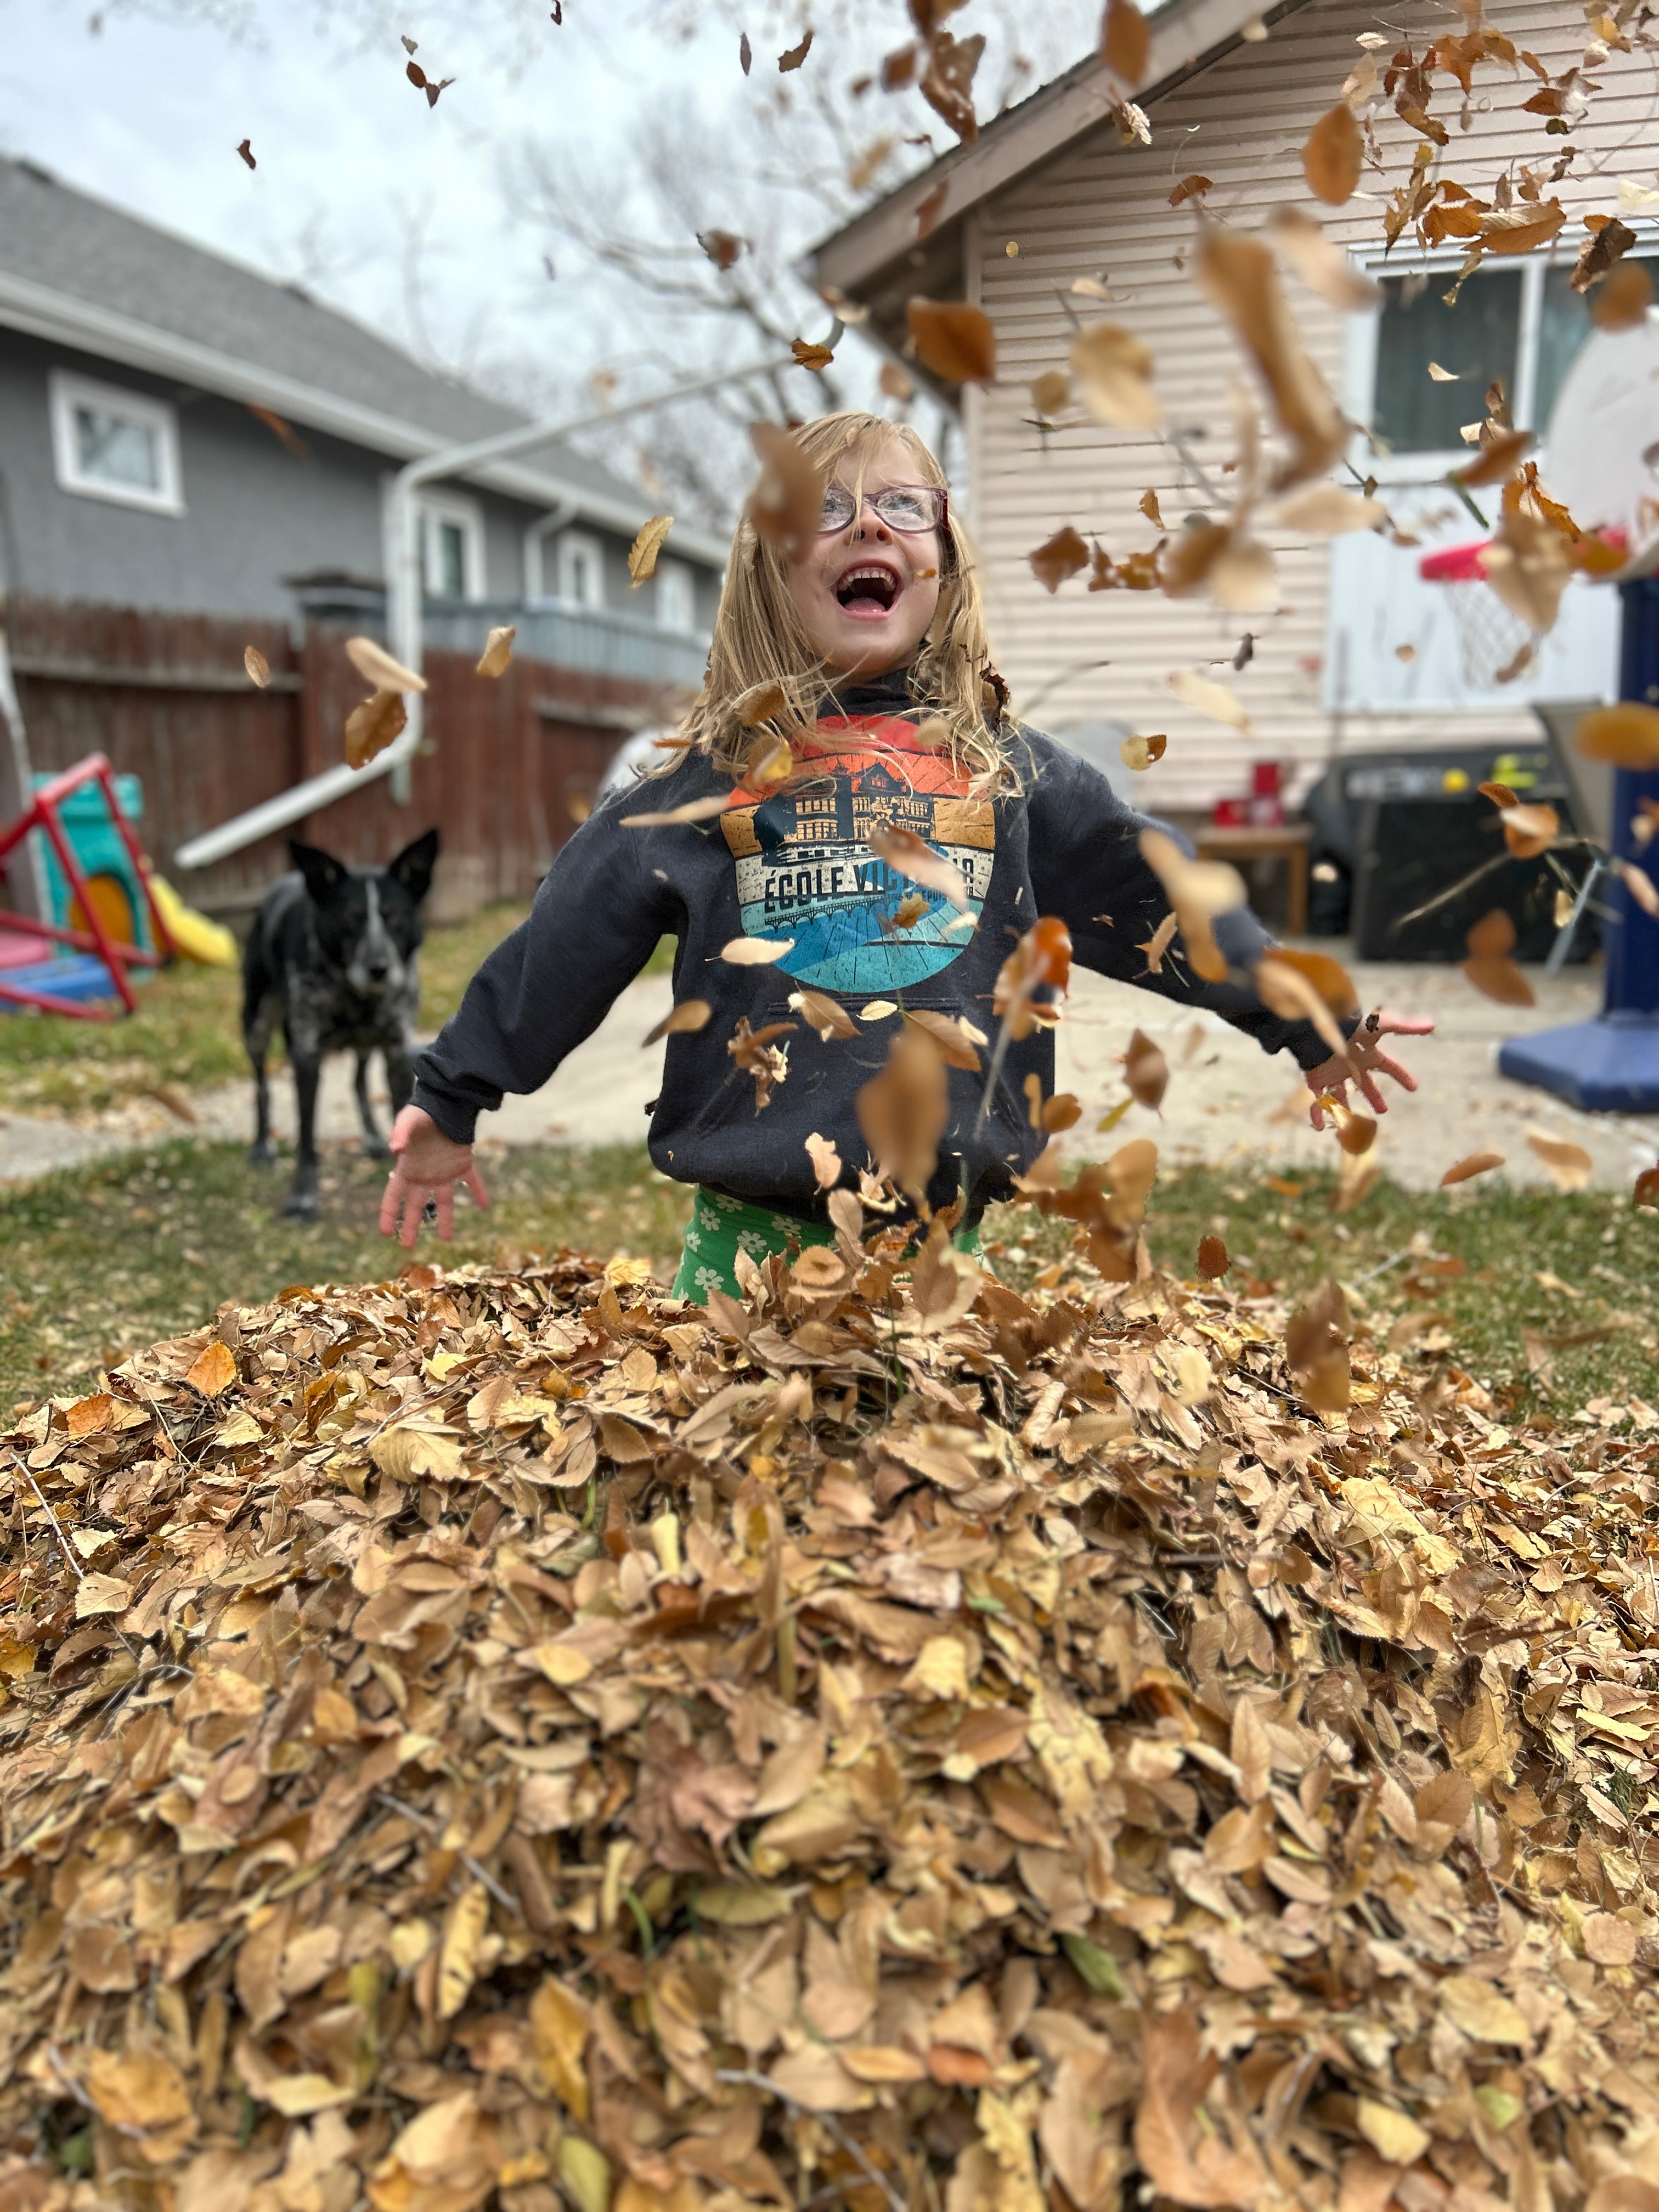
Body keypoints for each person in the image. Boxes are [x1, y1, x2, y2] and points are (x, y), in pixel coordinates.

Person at [379, 410, 1431, 1294]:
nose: (864, 523)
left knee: (935, 1522)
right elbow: (569, 931)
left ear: (943, 565)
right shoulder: (715, 781)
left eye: (901, 505)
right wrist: (453, 1094)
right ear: (767, 573)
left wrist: (1306, 1013)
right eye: (822, 511)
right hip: (747, 1259)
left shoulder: (1010, 776)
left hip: (943, 1261)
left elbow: (1154, 888)